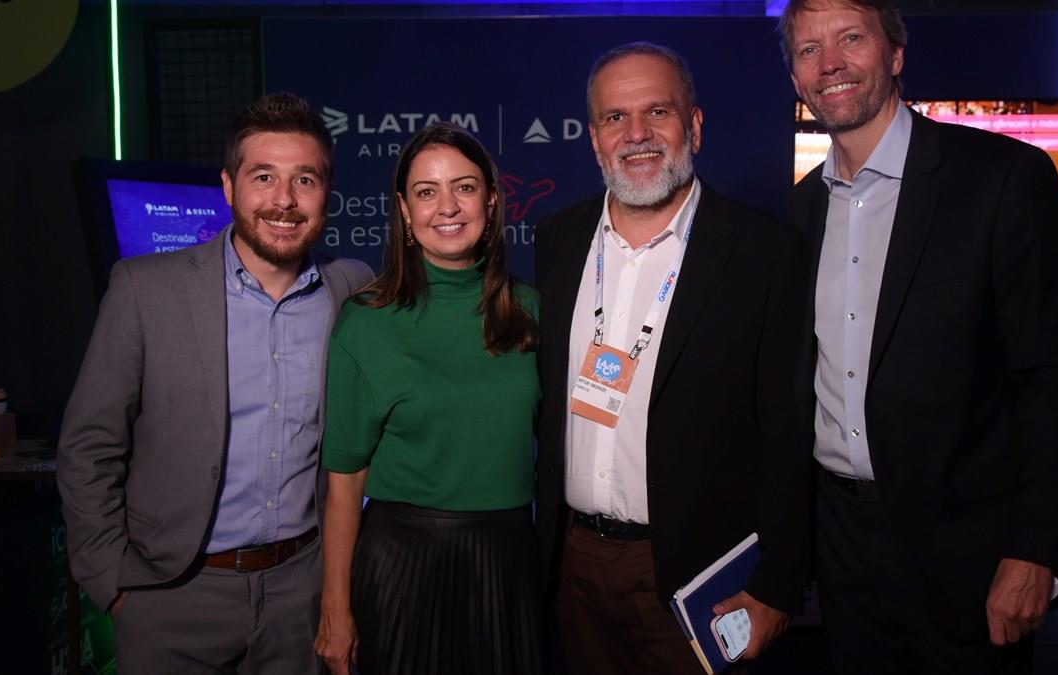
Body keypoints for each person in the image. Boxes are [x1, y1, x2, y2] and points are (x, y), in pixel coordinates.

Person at [780, 1, 1058, 673]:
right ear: (796, 78)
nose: (829, 63)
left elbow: (1050, 378)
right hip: (842, 552)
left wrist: (1036, 549)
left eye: (850, 38)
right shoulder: (798, 212)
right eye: (808, 50)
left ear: (895, 54)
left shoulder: (1002, 179)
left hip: (970, 553)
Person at [56, 92, 374, 673]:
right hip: (172, 595)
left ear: (326, 193)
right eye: (264, 177)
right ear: (229, 187)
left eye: (304, 179)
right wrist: (113, 587)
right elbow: (88, 446)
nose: (284, 199)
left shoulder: (350, 288)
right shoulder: (144, 290)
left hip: (301, 595)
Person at [534, 42, 810, 674]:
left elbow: (791, 432)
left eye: (657, 112)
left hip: (698, 576)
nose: (636, 134)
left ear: (695, 126)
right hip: (574, 566)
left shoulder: (764, 253)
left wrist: (779, 582)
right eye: (615, 117)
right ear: (594, 139)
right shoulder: (558, 240)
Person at [313, 122, 542, 675]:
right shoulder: (366, 322)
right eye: (426, 191)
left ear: (491, 199)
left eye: (464, 187)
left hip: (510, 563)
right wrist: (335, 608)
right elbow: (344, 485)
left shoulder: (533, 310)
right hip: (401, 564)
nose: (447, 207)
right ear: (404, 210)